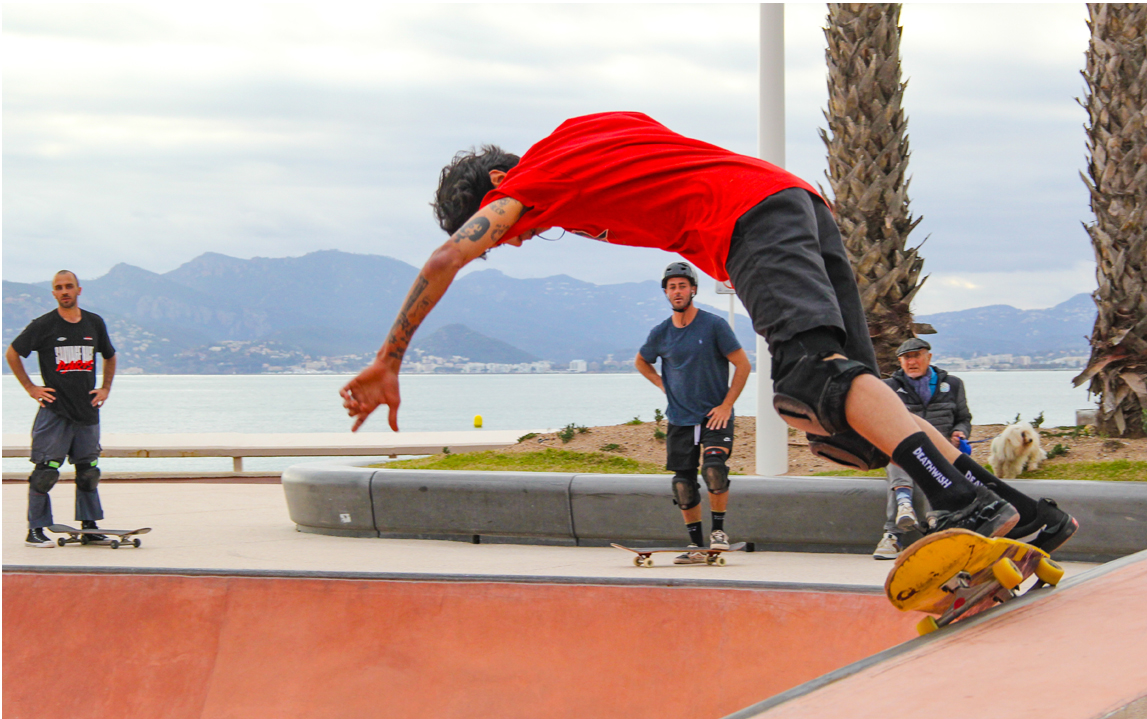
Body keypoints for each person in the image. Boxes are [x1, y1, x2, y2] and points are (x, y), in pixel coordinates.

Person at [340, 111, 1077, 553]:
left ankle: (960, 502)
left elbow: (447, 257)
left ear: (496, 190)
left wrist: (387, 359)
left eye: (505, 235)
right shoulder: (583, 135)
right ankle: (1022, 512)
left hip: (752, 224)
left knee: (813, 380)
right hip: (795, 203)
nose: (517, 242)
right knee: (855, 404)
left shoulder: (534, 182)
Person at [636, 261, 751, 564]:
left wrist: (726, 405)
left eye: (682, 286)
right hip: (680, 418)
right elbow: (641, 361)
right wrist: (664, 385)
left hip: (714, 416)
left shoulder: (714, 325)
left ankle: (719, 533)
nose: (677, 291)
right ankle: (696, 545)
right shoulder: (660, 333)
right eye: (672, 287)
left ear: (693, 290)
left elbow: (743, 364)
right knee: (683, 484)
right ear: (666, 293)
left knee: (714, 469)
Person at [6, 270, 116, 547]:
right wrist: (31, 388)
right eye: (59, 287)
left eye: (69, 286)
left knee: (88, 470)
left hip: (87, 410)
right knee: (46, 472)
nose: (64, 291)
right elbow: (12, 353)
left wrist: (105, 388)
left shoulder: (94, 323)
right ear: (53, 293)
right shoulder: (44, 325)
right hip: (55, 411)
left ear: (79, 290)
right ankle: (36, 529)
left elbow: (110, 355)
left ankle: (89, 527)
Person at [872, 338, 972, 560]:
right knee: (898, 458)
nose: (912, 362)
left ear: (929, 357)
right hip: (905, 449)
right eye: (906, 358)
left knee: (931, 470)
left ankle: (900, 527)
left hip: (941, 450)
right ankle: (902, 519)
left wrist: (960, 433)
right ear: (900, 361)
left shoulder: (953, 385)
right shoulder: (890, 387)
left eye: (916, 355)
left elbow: (964, 419)